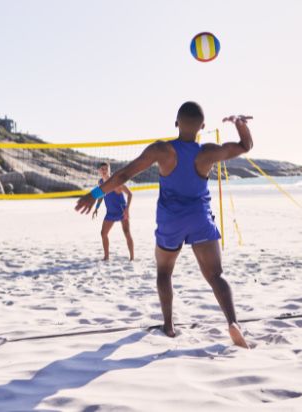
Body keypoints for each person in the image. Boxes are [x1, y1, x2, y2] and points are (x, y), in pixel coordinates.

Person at [75, 102, 253, 348]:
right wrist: (240, 124)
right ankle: (233, 322)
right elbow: (245, 146)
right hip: (199, 217)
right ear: (202, 127)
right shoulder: (207, 152)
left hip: (171, 220)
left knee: (164, 272)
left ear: (176, 123)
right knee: (215, 275)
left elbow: (124, 175)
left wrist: (94, 195)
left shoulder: (161, 150)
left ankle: (169, 326)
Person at [92, 162, 134, 261]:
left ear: (109, 170)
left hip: (121, 210)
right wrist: (97, 208)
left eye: (106, 169)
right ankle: (106, 257)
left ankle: (132, 257)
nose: (104, 171)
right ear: (98, 171)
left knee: (127, 232)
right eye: (102, 169)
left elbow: (130, 194)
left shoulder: (116, 181)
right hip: (110, 212)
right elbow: (101, 195)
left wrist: (127, 210)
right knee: (103, 233)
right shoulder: (100, 182)